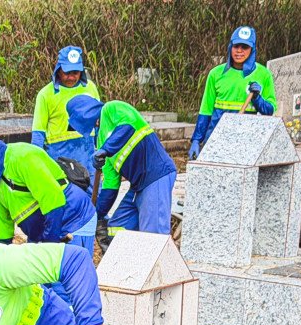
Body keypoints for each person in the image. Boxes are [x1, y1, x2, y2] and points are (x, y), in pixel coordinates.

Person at [0, 129, 97, 253]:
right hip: (42, 235)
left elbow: (54, 201)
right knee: (38, 282)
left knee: (68, 278)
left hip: (74, 221)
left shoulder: (22, 157)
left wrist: (48, 250)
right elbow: (1, 229)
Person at [67, 94, 177, 237]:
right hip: (139, 185)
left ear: (83, 115)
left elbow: (128, 125)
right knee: (117, 227)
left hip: (156, 175)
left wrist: (106, 149)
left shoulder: (112, 108)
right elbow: (110, 185)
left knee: (154, 235)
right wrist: (97, 215)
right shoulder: (100, 142)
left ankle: (158, 259)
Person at [189, 26, 277, 160]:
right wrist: (196, 140)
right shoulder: (216, 74)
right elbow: (206, 110)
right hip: (216, 136)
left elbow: (269, 110)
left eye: (244, 47)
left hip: (246, 140)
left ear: (252, 49)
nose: (239, 51)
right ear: (230, 46)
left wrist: (257, 98)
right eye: (236, 46)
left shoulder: (263, 74)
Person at [31, 45, 100, 175]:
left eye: (75, 73)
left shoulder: (90, 88)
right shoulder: (46, 94)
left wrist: (101, 151)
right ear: (58, 70)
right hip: (58, 160)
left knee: (94, 194)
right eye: (67, 73)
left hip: (87, 157)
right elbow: (38, 133)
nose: (71, 77)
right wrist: (35, 162)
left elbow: (98, 125)